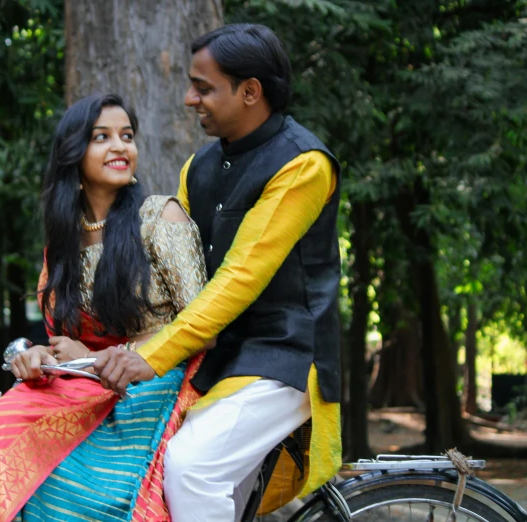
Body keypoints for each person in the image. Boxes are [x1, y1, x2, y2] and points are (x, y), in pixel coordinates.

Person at [92, 24, 343, 521]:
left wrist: (153, 356)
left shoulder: (303, 164)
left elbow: (239, 278)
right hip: (217, 359)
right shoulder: (200, 167)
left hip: (283, 358)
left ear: (250, 91)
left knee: (190, 469)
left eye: (203, 87)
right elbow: (166, 279)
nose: (189, 99)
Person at [0, 93, 209, 522]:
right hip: (87, 383)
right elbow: (66, 343)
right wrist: (36, 355)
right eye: (101, 137)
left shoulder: (161, 218)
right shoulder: (63, 243)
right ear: (73, 155)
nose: (120, 146)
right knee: (3, 419)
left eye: (126, 135)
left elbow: (202, 326)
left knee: (68, 485)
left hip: (155, 380)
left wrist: (102, 357)